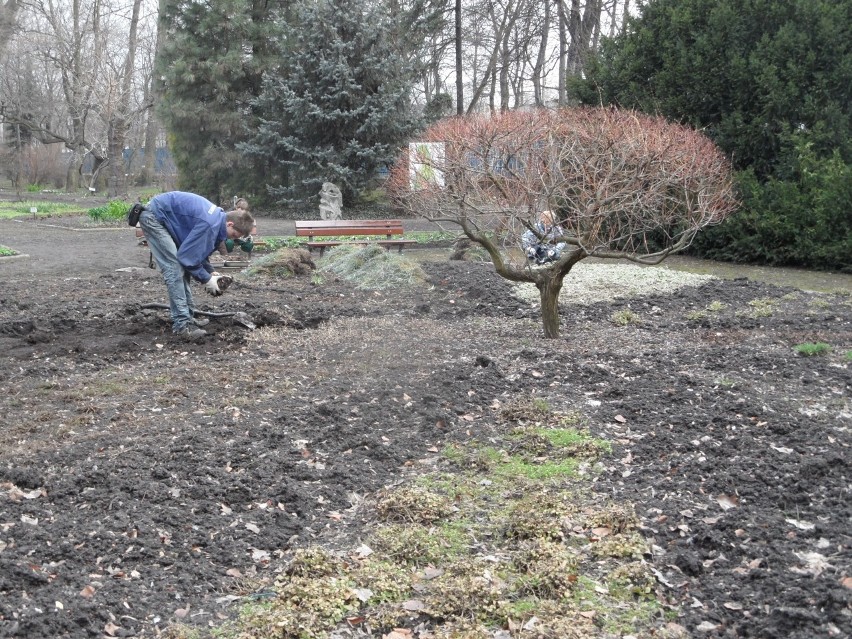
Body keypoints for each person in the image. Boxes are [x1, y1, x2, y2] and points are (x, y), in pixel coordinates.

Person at [138, 191, 255, 340]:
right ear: (230, 224)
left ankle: (188, 317)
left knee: (182, 269)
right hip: (154, 217)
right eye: (233, 235)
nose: (229, 238)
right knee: (174, 269)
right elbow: (186, 257)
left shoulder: (217, 221)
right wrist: (206, 279)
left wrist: (211, 273)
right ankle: (182, 326)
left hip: (165, 216)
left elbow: (196, 254)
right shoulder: (210, 224)